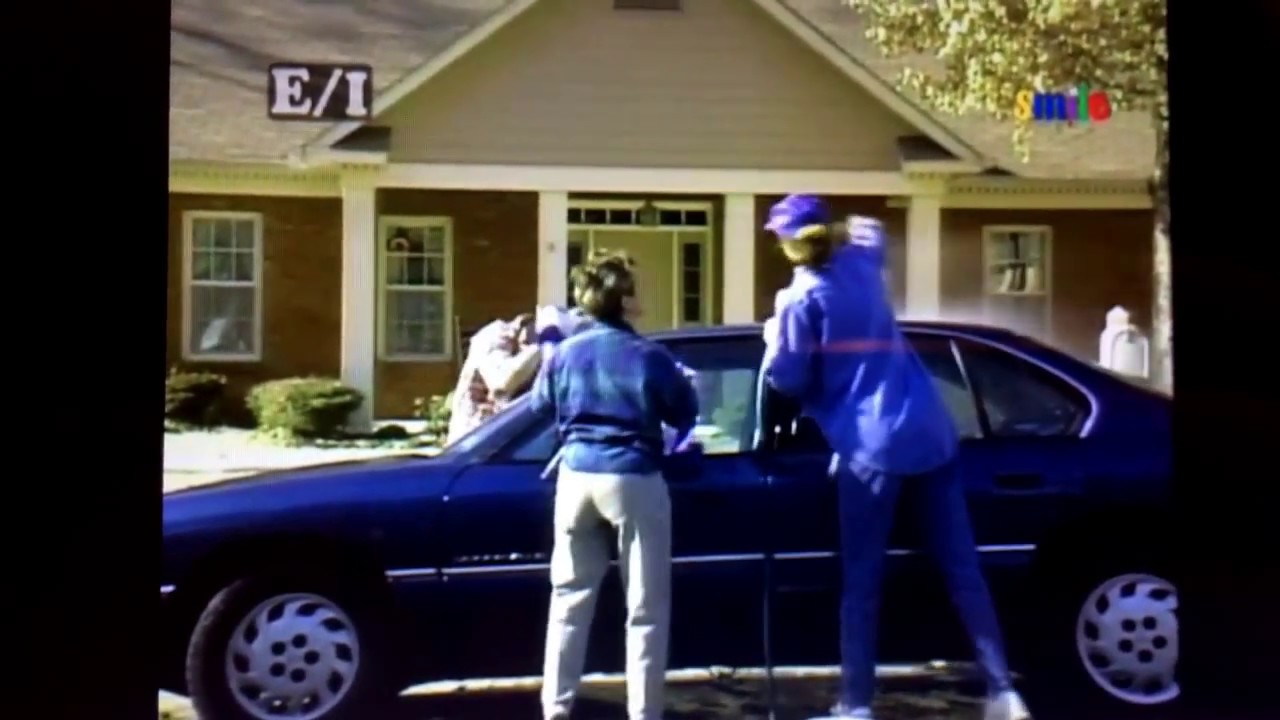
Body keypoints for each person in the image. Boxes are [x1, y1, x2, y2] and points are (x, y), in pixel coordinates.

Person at [760, 195, 1032, 720]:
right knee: (963, 571)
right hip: (931, 431)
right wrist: (865, 230)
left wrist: (773, 343)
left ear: (790, 243)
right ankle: (1003, 691)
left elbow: (787, 380)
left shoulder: (798, 301)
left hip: (871, 445)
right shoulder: (862, 266)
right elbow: (873, 238)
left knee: (862, 582)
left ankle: (856, 704)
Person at [532, 250, 699, 720]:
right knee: (645, 608)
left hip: (575, 478)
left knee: (567, 599)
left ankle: (556, 707)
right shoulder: (649, 356)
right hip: (631, 477)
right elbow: (684, 414)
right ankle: (644, 712)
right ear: (623, 300)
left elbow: (539, 406)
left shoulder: (566, 353)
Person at [445, 313, 541, 444]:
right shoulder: (493, 336)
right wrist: (540, 347)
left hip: (494, 442)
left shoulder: (525, 353)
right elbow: (501, 382)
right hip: (470, 444)